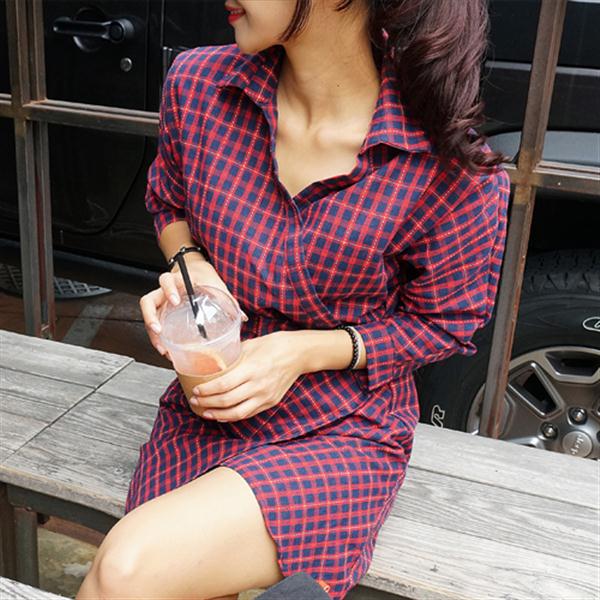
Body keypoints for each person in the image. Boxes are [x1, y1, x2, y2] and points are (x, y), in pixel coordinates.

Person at [76, 0, 510, 598]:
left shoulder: (447, 167)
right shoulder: (199, 86)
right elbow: (168, 201)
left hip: (343, 423)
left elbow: (445, 324)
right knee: (155, 576)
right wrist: (190, 265)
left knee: (126, 568)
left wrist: (302, 352)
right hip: (210, 401)